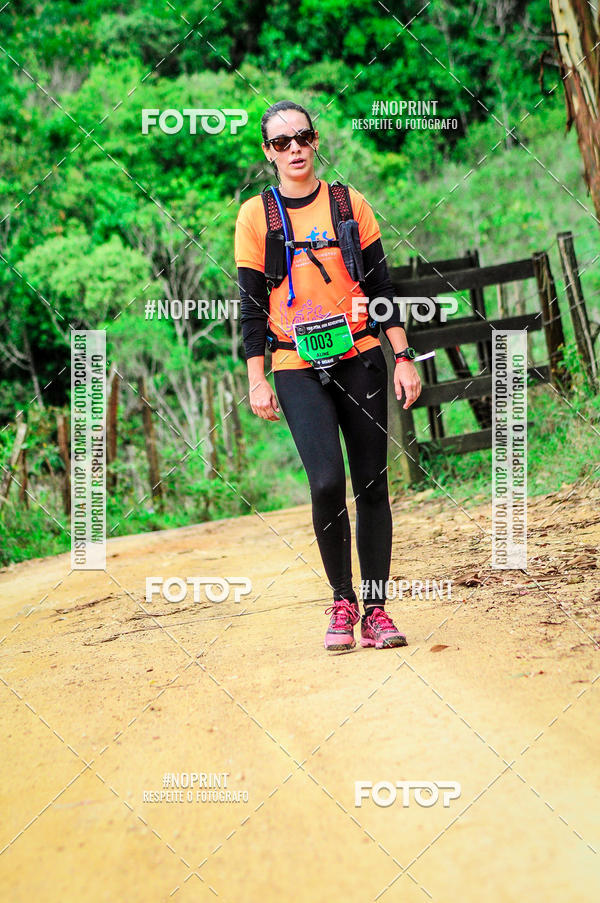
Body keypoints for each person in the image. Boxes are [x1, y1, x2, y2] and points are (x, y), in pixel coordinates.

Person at [234, 99, 422, 652]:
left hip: (360, 354)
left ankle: (377, 610)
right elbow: (248, 305)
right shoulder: (255, 217)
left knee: (371, 483)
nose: (293, 149)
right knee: (325, 483)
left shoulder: (348, 202)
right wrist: (256, 377)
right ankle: (342, 601)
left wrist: (403, 357)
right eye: (280, 143)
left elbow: (382, 287)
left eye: (302, 138)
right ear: (268, 153)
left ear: (315, 142)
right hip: (294, 363)